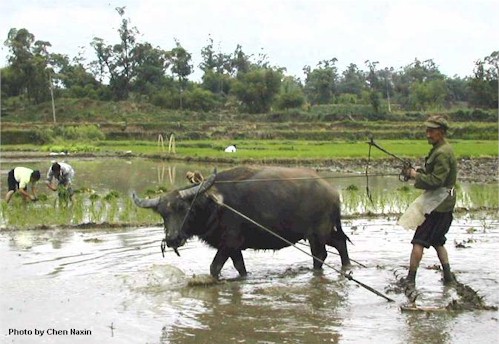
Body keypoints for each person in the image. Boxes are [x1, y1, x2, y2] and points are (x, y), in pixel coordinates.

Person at [399, 115, 457, 287]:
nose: (428, 134)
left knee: (419, 241)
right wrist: (418, 171)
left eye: (431, 131)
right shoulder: (440, 149)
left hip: (437, 205)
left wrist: (415, 175)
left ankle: (410, 279)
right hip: (443, 203)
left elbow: (436, 181)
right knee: (438, 240)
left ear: (441, 132)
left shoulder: (442, 153)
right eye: (427, 130)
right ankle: (448, 276)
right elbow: (432, 174)